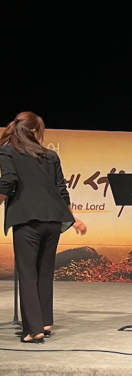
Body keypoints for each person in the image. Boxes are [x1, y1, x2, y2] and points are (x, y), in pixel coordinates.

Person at [0, 112, 87, 343]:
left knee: (28, 275)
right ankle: (45, 322)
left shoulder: (8, 151)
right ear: (35, 131)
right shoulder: (50, 155)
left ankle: (34, 330)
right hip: (53, 221)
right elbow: (61, 190)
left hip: (27, 220)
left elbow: (8, 180)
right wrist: (73, 218)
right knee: (45, 273)